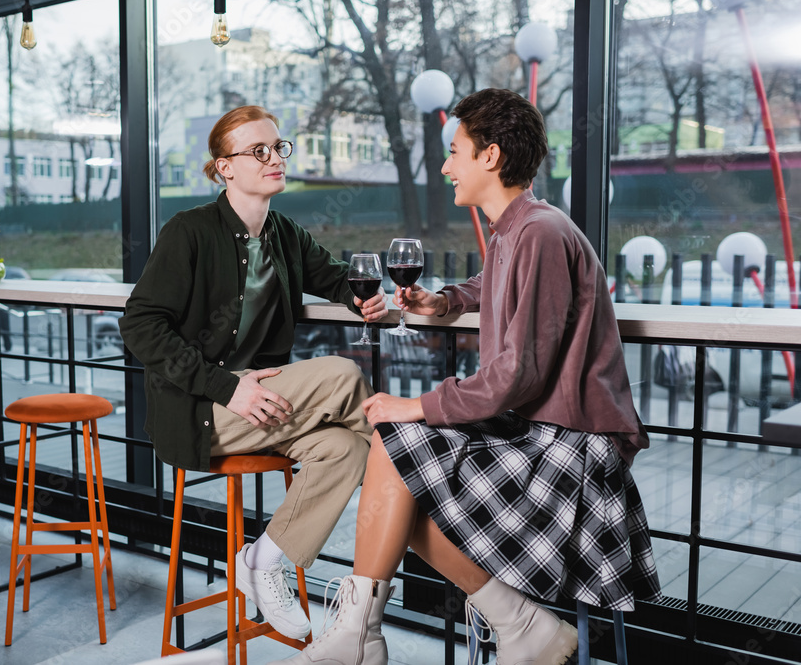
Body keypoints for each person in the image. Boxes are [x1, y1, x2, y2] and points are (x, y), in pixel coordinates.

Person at [273, 88, 661, 665]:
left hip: (572, 445)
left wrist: (417, 405)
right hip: (538, 430)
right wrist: (446, 300)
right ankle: (482, 626)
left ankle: (373, 635)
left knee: (396, 449)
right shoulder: (518, 229)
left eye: (455, 151)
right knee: (397, 464)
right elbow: (495, 286)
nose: (445, 166)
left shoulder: (540, 232)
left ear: (491, 156)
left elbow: (518, 373)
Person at [119, 105, 388, 641]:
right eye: (257, 151)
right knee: (342, 377)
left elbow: (335, 277)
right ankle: (414, 500)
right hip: (202, 410)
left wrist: (365, 297)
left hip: (263, 404)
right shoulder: (189, 231)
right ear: (225, 167)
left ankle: (262, 561)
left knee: (346, 449)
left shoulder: (284, 234)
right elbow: (141, 326)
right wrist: (226, 388)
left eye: (278, 147)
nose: (274, 158)